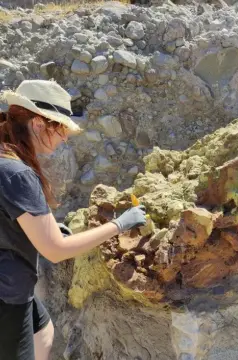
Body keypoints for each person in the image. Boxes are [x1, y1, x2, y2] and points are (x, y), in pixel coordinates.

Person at [0, 80, 147, 360]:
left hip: (11, 279)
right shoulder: (17, 174)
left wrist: (50, 226)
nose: (65, 137)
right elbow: (55, 251)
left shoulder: (5, 157)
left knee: (42, 332)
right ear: (38, 124)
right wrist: (119, 225)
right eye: (61, 128)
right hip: (6, 293)